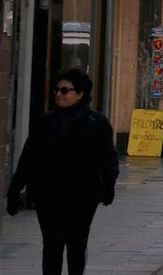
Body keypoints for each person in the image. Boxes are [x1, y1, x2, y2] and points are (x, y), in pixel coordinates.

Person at [6, 68, 118, 275]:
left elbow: (108, 158)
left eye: (65, 90)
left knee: (77, 244)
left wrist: (108, 185)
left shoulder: (97, 123)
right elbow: (29, 157)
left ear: (81, 93)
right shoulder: (46, 122)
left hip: (83, 195)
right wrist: (15, 189)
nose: (59, 94)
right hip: (48, 194)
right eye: (57, 90)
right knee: (51, 245)